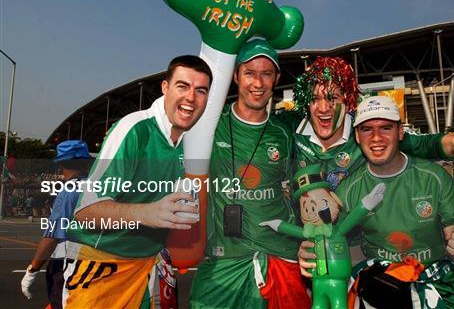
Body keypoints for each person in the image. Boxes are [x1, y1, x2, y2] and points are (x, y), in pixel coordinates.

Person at [299, 96, 454, 309]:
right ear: (357, 135)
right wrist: (310, 253)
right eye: (366, 129)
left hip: (437, 280)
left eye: (385, 128)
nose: (376, 138)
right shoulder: (349, 189)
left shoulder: (434, 177)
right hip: (380, 283)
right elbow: (326, 236)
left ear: (400, 132)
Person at [64, 55, 212, 309]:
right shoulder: (134, 129)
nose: (191, 98)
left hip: (147, 267)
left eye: (201, 90)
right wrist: (148, 213)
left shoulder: (191, 143)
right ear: (165, 88)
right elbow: (85, 211)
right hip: (100, 265)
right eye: (182, 86)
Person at [190, 39, 311, 309]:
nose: (258, 83)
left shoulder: (284, 134)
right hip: (224, 260)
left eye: (266, 74)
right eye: (250, 73)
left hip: (280, 258)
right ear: (235, 76)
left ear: (276, 78)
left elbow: (300, 194)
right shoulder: (211, 126)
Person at [288, 56, 454, 190]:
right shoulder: (290, 129)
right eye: (314, 99)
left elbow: (426, 145)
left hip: (358, 245)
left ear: (347, 100)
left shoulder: (365, 134)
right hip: (304, 242)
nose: (323, 108)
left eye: (332, 98)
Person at [20, 140, 92, 309]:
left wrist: (32, 270)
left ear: (61, 163)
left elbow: (51, 238)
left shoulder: (68, 192)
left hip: (67, 266)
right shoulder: (100, 187)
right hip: (94, 263)